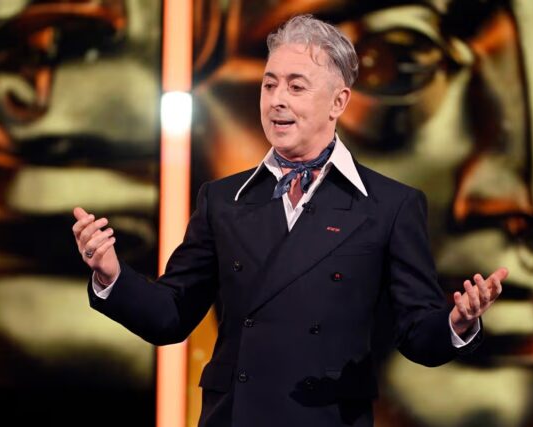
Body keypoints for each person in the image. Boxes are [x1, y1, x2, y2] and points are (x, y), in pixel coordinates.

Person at [72, 14, 506, 427]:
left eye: (296, 86)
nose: (277, 99)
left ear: (339, 102)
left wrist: (457, 322)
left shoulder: (389, 205)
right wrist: (112, 276)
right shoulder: (223, 200)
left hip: (326, 417)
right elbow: (170, 315)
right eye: (269, 84)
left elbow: (417, 333)